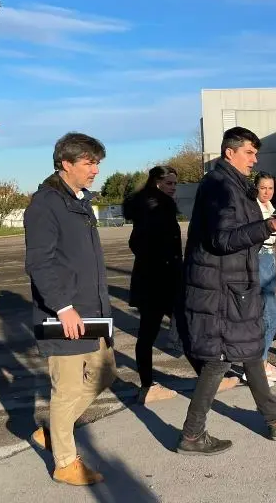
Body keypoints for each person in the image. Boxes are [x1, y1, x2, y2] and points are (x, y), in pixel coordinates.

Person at [175, 126, 276, 456]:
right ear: (229, 153)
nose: (255, 159)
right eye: (249, 152)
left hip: (234, 285)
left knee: (248, 350)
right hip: (221, 289)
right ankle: (192, 435)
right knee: (219, 361)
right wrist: (268, 226)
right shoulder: (220, 187)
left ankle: (275, 420)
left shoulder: (233, 185)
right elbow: (222, 239)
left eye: (256, 153)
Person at [23, 132, 115, 486]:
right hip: (65, 315)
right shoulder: (45, 204)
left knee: (105, 374)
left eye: (97, 162)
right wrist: (63, 308)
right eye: (89, 162)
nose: (95, 169)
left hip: (93, 309)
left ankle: (53, 432)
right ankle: (65, 463)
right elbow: (40, 263)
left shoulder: (78, 200)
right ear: (66, 163)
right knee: (68, 390)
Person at [123, 166, 182, 404]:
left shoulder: (154, 207)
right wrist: (163, 262)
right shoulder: (156, 209)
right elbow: (138, 243)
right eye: (169, 184)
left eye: (175, 184)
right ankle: (147, 385)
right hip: (157, 282)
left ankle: (147, 384)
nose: (173, 188)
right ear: (157, 184)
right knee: (153, 333)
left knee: (174, 329)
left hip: (158, 280)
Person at [253, 172, 276, 384]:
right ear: (255, 188)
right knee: (271, 317)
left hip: (269, 257)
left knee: (267, 316)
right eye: (263, 188)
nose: (267, 192)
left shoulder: (270, 207)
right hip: (259, 258)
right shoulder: (255, 208)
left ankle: (261, 363)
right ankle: (258, 366)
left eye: (271, 188)